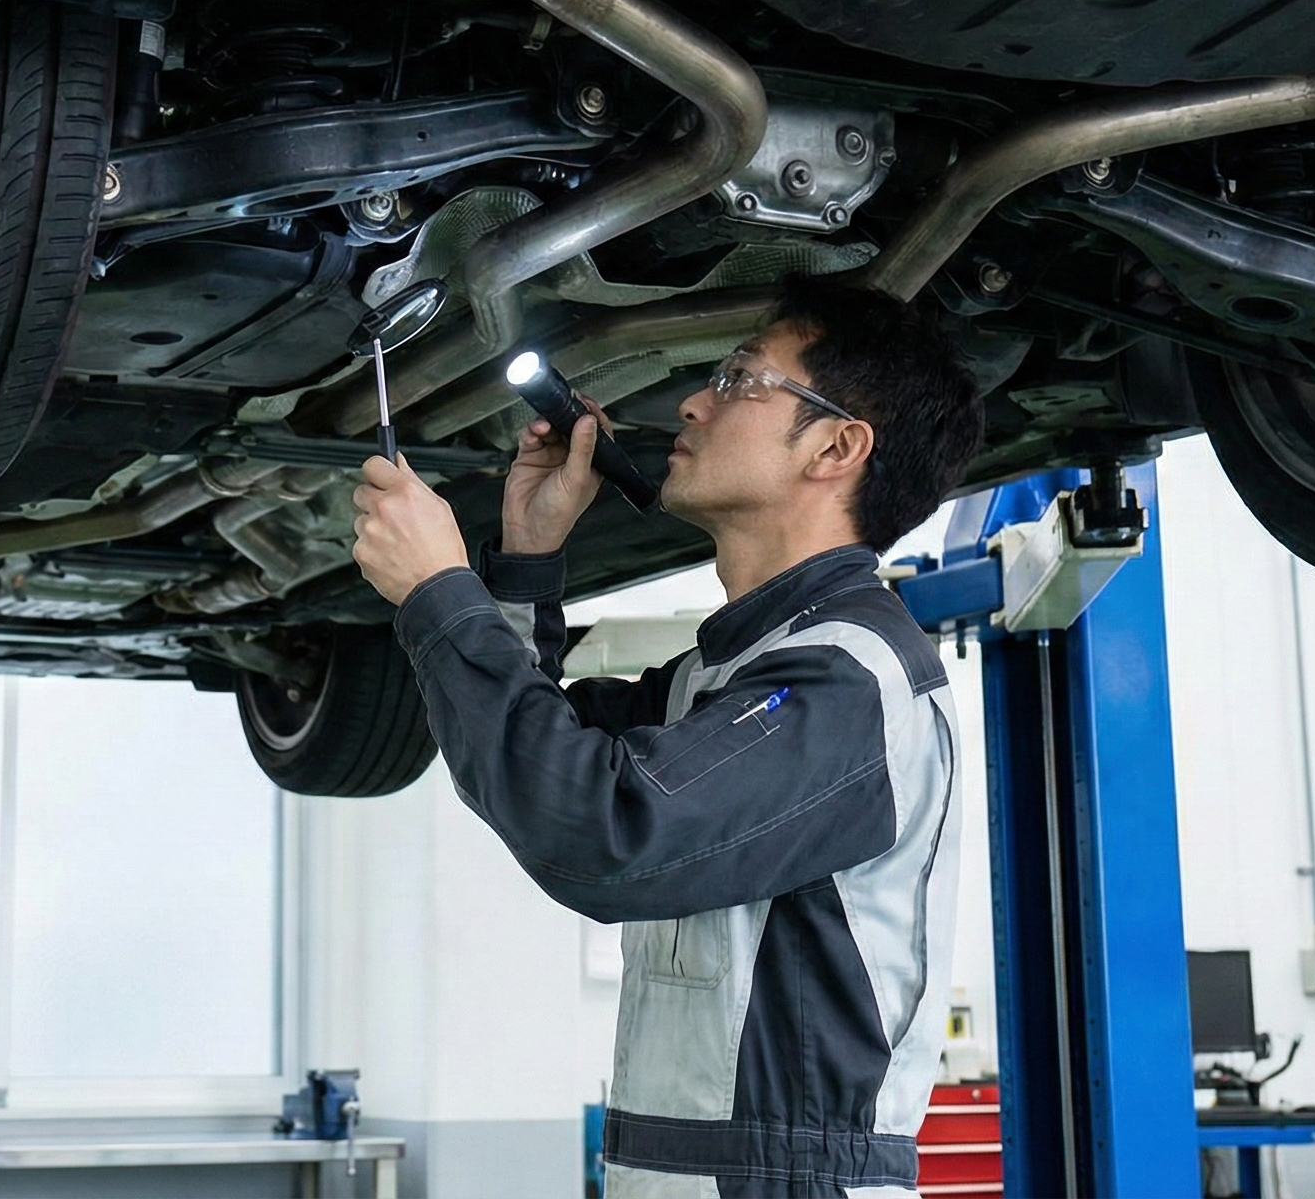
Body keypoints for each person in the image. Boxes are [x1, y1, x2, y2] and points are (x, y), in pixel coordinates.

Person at [349, 277, 986, 1199]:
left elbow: (600, 836)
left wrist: (439, 591)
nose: (692, 403)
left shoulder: (850, 682)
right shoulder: (722, 676)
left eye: (738, 380)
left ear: (836, 447)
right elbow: (528, 757)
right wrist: (527, 559)